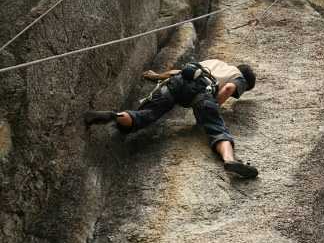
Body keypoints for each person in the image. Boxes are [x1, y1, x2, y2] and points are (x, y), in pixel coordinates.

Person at [84, 59, 259, 178]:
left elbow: (181, 71)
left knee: (145, 116)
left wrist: (156, 76)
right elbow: (228, 88)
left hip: (176, 82)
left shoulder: (214, 62)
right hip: (202, 92)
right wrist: (212, 106)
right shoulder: (240, 78)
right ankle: (230, 160)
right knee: (218, 131)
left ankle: (114, 116)